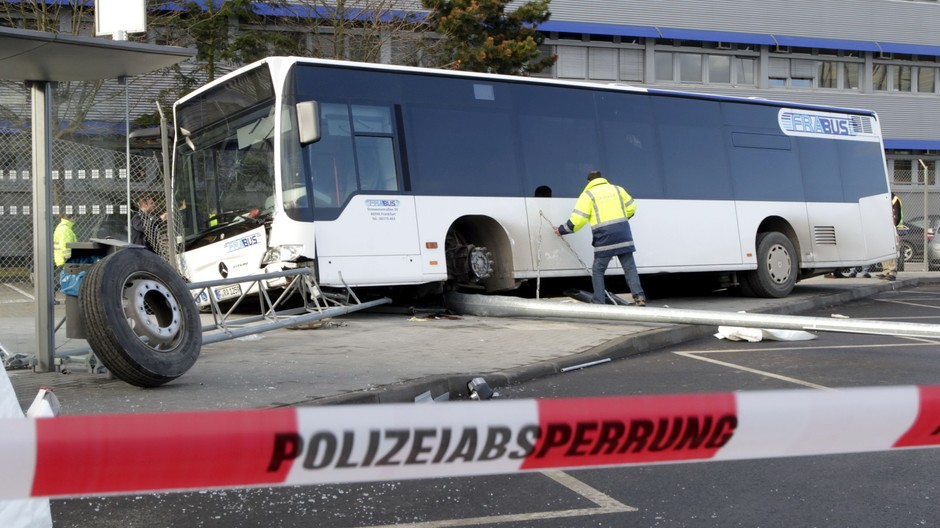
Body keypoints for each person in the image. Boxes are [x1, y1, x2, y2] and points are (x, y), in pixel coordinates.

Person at [555, 170, 646, 306]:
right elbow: (632, 207)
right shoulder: (618, 189)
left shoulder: (588, 195)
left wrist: (562, 230)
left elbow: (578, 220)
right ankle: (639, 297)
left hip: (604, 237)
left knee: (598, 270)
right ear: (602, 178)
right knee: (629, 268)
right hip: (623, 233)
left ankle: (599, 301)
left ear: (588, 181)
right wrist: (622, 219)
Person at [878, 192, 903, 282]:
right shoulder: (882, 198)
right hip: (883, 227)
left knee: (892, 249)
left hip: (891, 228)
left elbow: (897, 215)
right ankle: (886, 270)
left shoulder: (894, 199)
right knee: (884, 249)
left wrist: (892, 226)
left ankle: (892, 271)